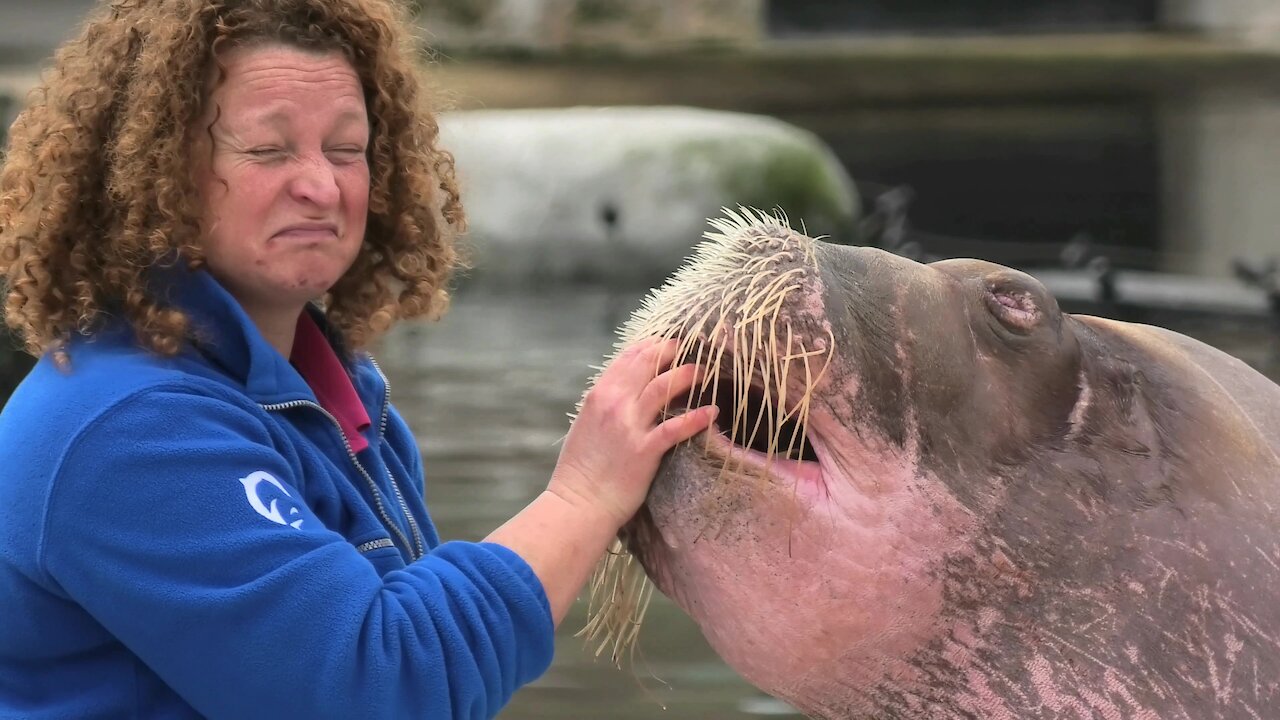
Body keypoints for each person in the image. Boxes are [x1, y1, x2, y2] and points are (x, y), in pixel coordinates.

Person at [0, 0, 718, 718]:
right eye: (268, 150)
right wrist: (585, 496)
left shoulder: (337, 393)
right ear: (155, 172)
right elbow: (378, 688)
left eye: (347, 150)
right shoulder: (132, 428)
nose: (321, 186)